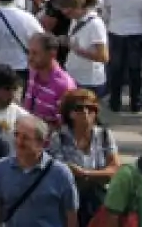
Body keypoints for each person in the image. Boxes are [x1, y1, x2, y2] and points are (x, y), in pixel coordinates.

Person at [0, 115, 77, 227]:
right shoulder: (1, 167)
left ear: (42, 143)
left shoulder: (61, 173)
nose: (19, 142)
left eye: (25, 138)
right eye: (16, 135)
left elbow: (71, 213)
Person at [49, 89, 119, 227]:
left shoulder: (105, 135)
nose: (86, 112)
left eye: (91, 108)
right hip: (69, 201)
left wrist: (84, 173)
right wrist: (99, 174)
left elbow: (115, 169)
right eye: (79, 108)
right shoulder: (59, 138)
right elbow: (61, 173)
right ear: (69, 113)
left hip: (99, 200)